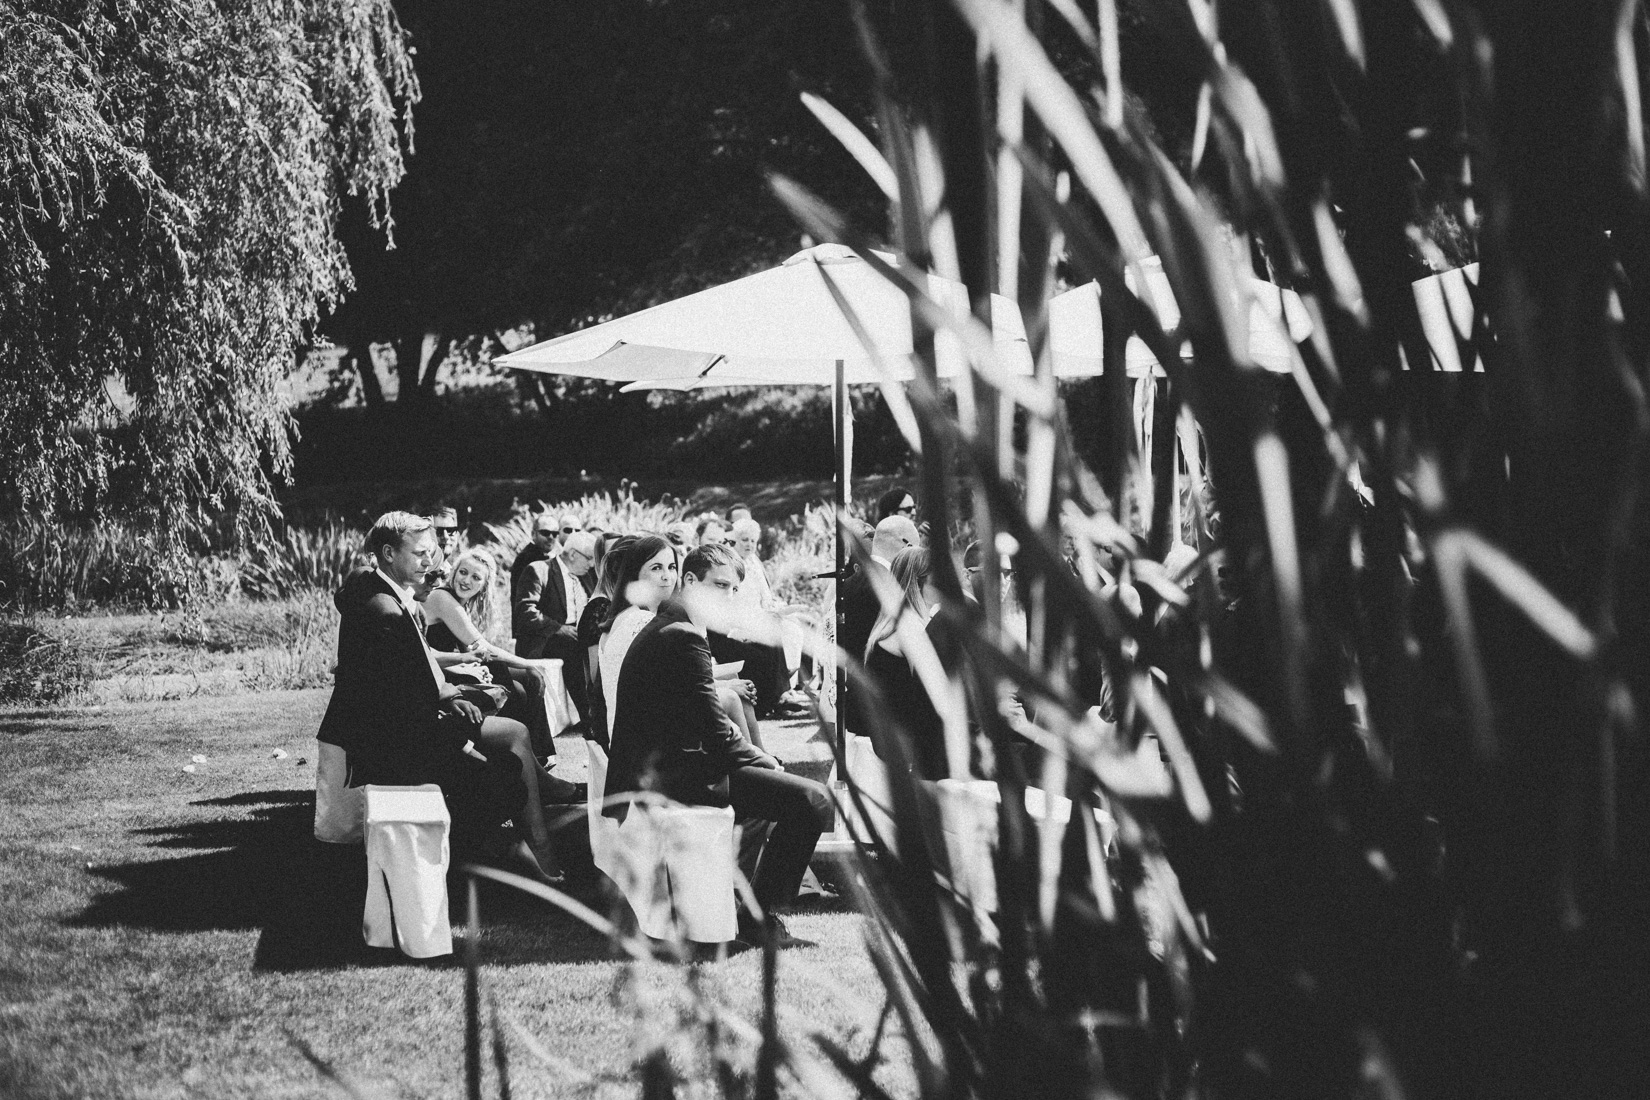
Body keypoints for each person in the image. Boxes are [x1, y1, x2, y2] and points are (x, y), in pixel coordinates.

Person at [315, 511, 562, 883]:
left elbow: (414, 670)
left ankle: (525, 841)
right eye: (419, 553)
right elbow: (400, 702)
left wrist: (452, 696)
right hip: (392, 743)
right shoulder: (385, 611)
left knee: (511, 731)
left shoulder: (381, 590)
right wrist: (459, 730)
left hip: (404, 722)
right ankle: (528, 849)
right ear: (388, 553)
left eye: (431, 553)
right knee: (507, 751)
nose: (429, 562)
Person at [607, 542, 832, 947]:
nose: (728, 596)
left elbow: (701, 718)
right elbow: (716, 733)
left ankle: (750, 910)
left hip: (668, 766)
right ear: (690, 581)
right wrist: (763, 759)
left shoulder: (674, 625)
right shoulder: (682, 635)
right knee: (813, 801)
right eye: (720, 585)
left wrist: (755, 757)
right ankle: (758, 919)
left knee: (793, 799)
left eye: (734, 589)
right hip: (675, 776)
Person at [601, 536, 763, 749]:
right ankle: (756, 761)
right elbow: (666, 688)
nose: (667, 576)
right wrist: (726, 686)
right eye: (656, 568)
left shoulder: (651, 616)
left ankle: (760, 757)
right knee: (732, 697)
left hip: (654, 713)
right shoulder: (640, 621)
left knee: (735, 687)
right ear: (634, 573)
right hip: (641, 728)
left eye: (671, 567)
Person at [861, 546, 949, 779]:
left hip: (891, 733)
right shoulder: (909, 628)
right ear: (919, 582)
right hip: (907, 743)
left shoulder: (892, 621)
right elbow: (934, 691)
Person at [838, 514, 919, 732]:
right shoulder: (892, 588)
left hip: (853, 705)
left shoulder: (846, 585)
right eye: (915, 549)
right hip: (889, 713)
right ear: (906, 545)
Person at [514, 530, 598, 727]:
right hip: (546, 639)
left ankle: (606, 712)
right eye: (589, 558)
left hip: (578, 634)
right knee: (572, 648)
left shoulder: (586, 577)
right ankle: (590, 717)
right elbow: (525, 611)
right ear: (573, 554)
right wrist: (559, 628)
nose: (592, 564)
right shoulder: (539, 570)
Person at [511, 512, 558, 591]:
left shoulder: (544, 557)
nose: (551, 537)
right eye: (545, 533)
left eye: (555, 534)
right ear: (533, 534)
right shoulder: (526, 559)